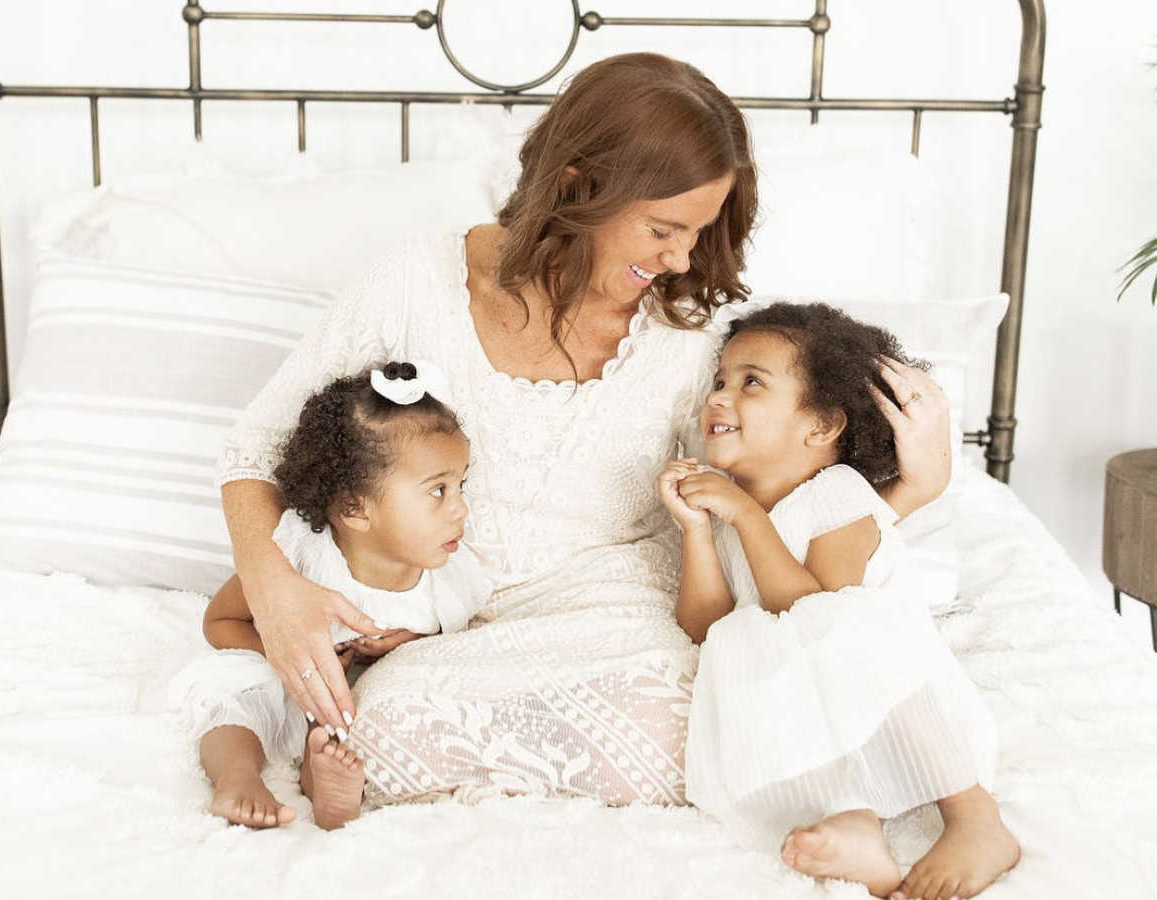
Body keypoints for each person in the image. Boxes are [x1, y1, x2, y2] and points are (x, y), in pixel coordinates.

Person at [216, 52, 952, 808]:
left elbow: (763, 493)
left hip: (616, 610)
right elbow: (255, 450)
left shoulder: (691, 334)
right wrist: (276, 591)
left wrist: (904, 497)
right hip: (437, 616)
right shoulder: (413, 286)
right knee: (374, 728)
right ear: (576, 185)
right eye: (665, 229)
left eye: (697, 234)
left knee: (714, 715)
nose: (681, 258)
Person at [660, 302, 1019, 900]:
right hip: (806, 704)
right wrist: (696, 530)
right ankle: (856, 825)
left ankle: (974, 816)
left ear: (822, 427)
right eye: (719, 381)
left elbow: (813, 611)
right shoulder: (723, 507)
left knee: (835, 625)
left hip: (888, 695)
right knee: (737, 650)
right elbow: (704, 625)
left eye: (752, 383)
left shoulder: (838, 495)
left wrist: (747, 517)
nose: (720, 397)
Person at [171, 362, 490, 828]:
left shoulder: (449, 575)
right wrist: (284, 659)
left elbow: (447, 648)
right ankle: (237, 778)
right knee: (233, 700)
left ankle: (328, 791)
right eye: (438, 491)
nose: (461, 507)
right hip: (277, 677)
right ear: (354, 509)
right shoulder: (301, 557)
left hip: (344, 699)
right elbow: (220, 622)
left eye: (460, 485)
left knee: (347, 730)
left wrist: (397, 644)